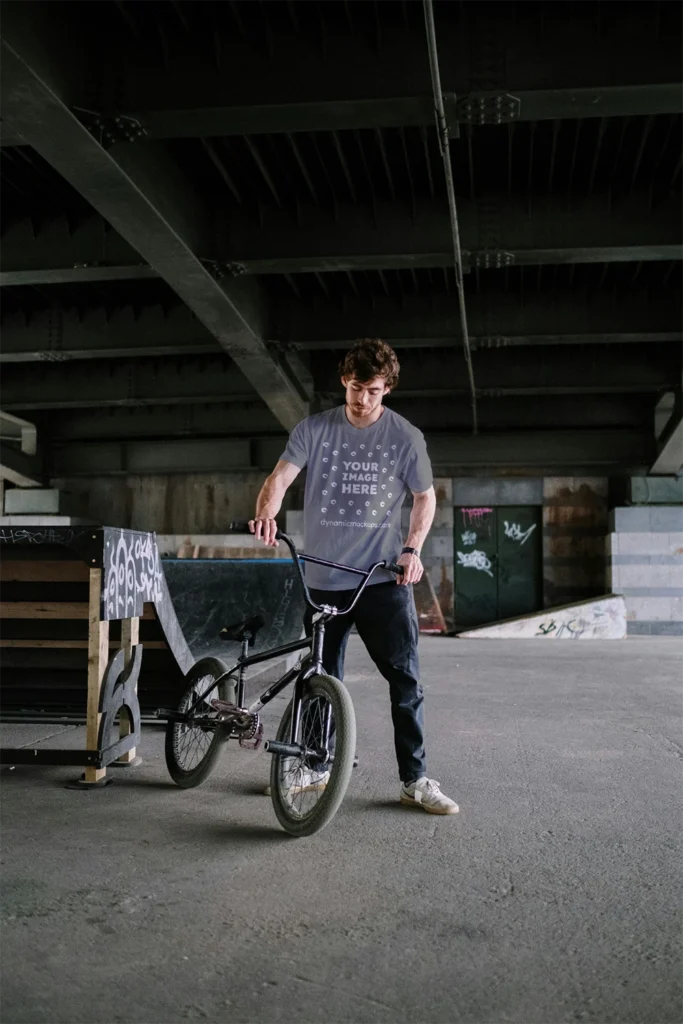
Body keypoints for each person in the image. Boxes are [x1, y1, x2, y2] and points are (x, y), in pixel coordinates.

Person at [250, 338, 458, 816]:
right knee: (321, 678)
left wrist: (412, 550)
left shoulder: (405, 438)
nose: (362, 399)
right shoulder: (314, 429)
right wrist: (266, 512)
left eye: (373, 390)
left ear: (387, 389)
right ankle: (317, 766)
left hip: (382, 580)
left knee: (405, 681)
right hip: (322, 578)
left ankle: (414, 779)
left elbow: (425, 499)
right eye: (356, 387)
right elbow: (280, 478)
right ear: (345, 381)